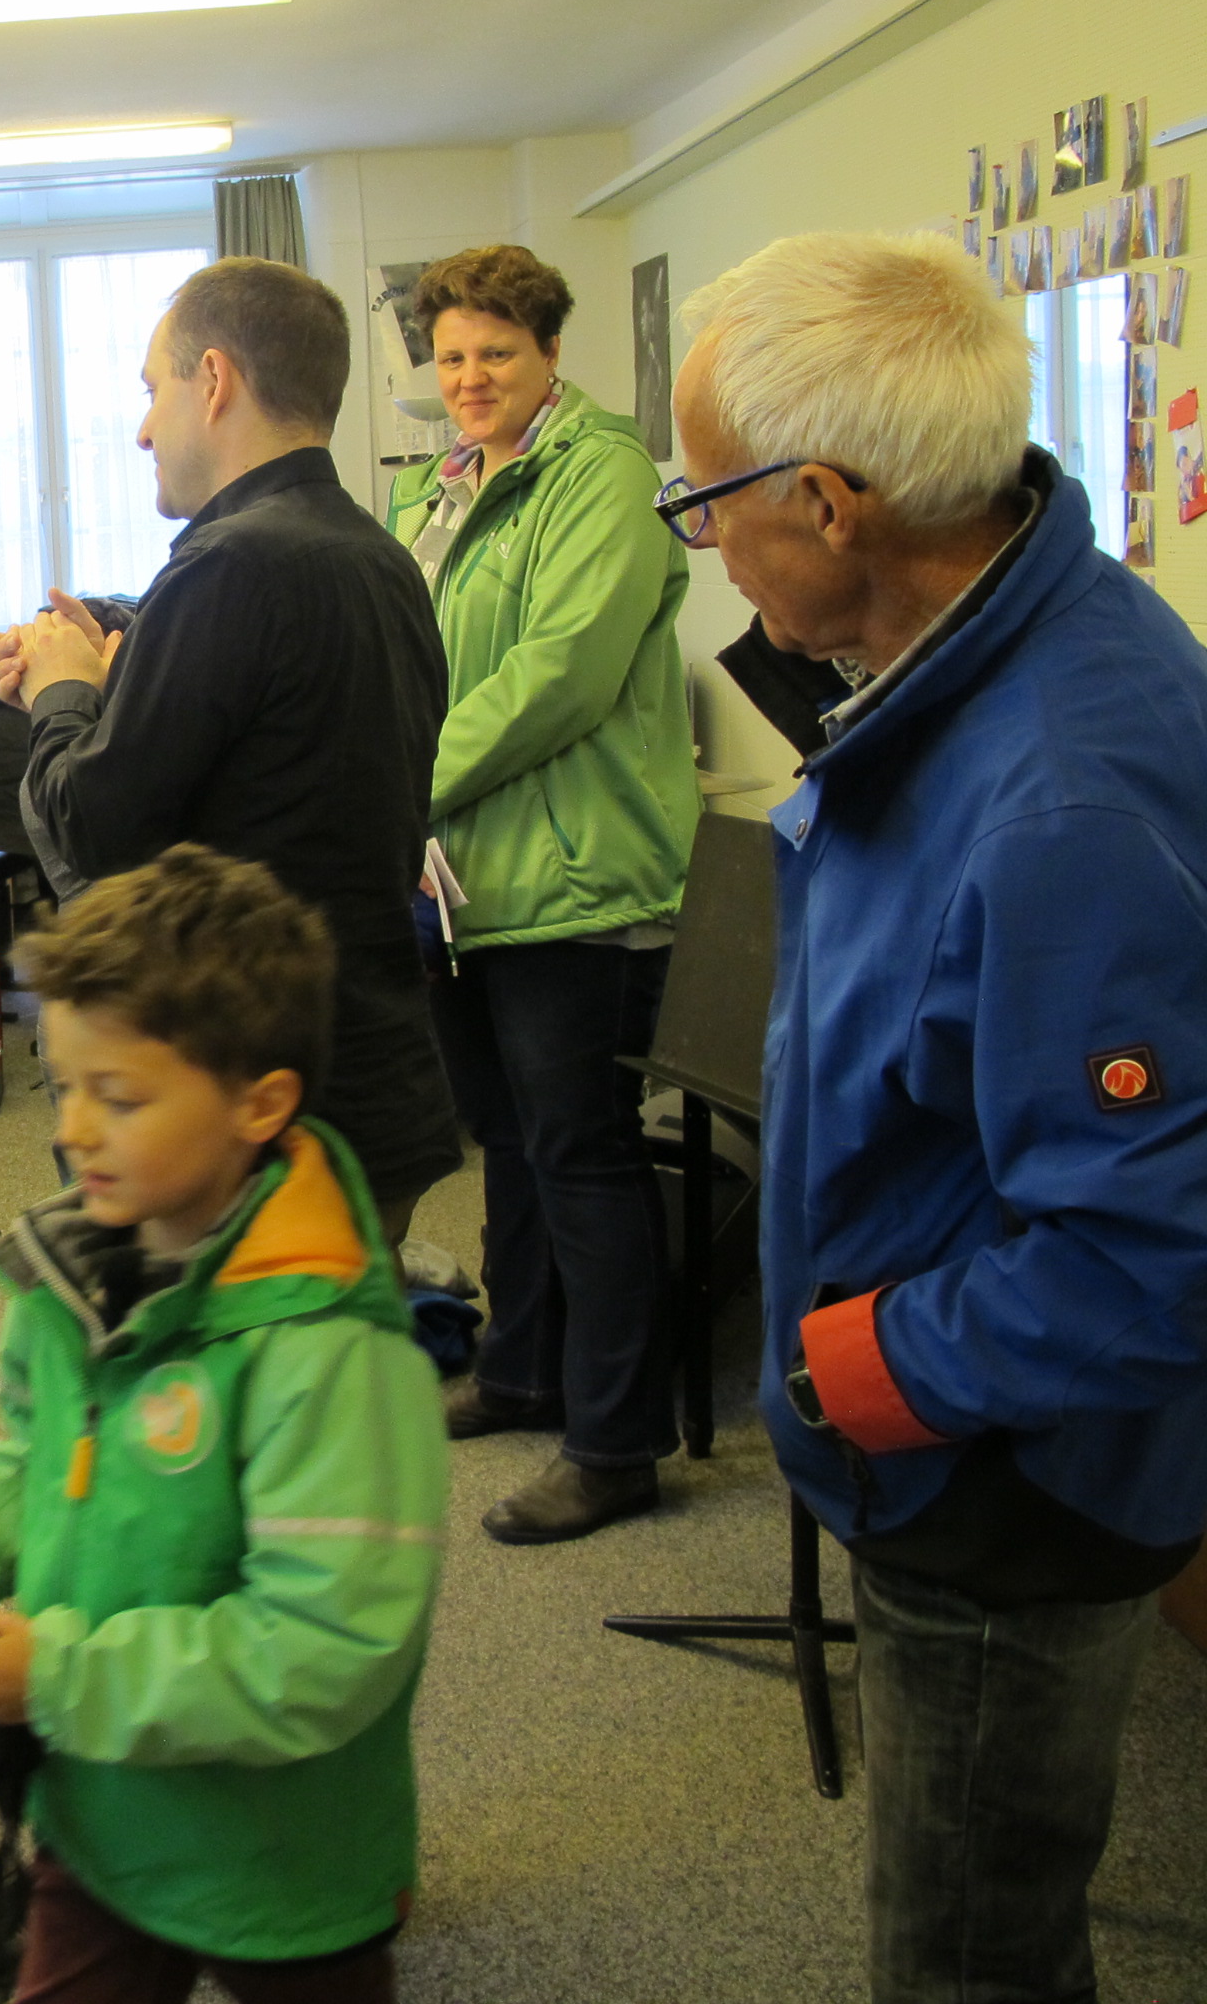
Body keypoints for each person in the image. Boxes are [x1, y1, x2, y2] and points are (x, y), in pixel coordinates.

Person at [672, 229, 1207, 2003]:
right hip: (956, 1433)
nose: (701, 541)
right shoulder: (984, 642)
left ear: (829, 504)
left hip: (1000, 1479)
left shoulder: (1060, 797)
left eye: (705, 501)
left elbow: (1149, 1258)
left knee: (970, 1956)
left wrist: (853, 1373)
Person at [0, 844, 446, 2004]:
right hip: (96, 1820)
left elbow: (324, 1649)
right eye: (62, 1085)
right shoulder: (70, 1277)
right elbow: (32, 1453)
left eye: (118, 1097)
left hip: (278, 1863)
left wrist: (59, 1677)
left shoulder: (329, 1353)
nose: (73, 1131)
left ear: (258, 1102)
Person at [0, 257, 459, 1241]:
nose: (143, 429)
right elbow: (273, 766)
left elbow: (90, 835)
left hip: (243, 1119)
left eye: (151, 390)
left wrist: (63, 693)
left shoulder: (228, 562)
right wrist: (117, 672)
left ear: (212, 379)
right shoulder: (378, 559)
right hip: (369, 1075)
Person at [385, 244, 699, 1544]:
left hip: (571, 874)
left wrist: (399, 784)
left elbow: (557, 675)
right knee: (507, 1139)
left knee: (580, 1150)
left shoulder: (602, 476)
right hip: (462, 874)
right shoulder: (434, 488)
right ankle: (521, 1370)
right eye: (452, 357)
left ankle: (617, 1443)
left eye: (495, 354)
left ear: (551, 354)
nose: (469, 378)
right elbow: (404, 654)